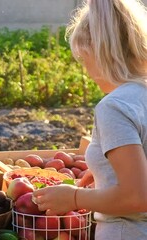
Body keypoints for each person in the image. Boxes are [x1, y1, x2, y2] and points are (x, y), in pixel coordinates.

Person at [32, 0, 147, 239]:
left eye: (84, 59)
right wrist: (105, 171)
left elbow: (137, 196)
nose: (86, 70)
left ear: (100, 51)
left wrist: (74, 197)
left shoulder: (114, 106)